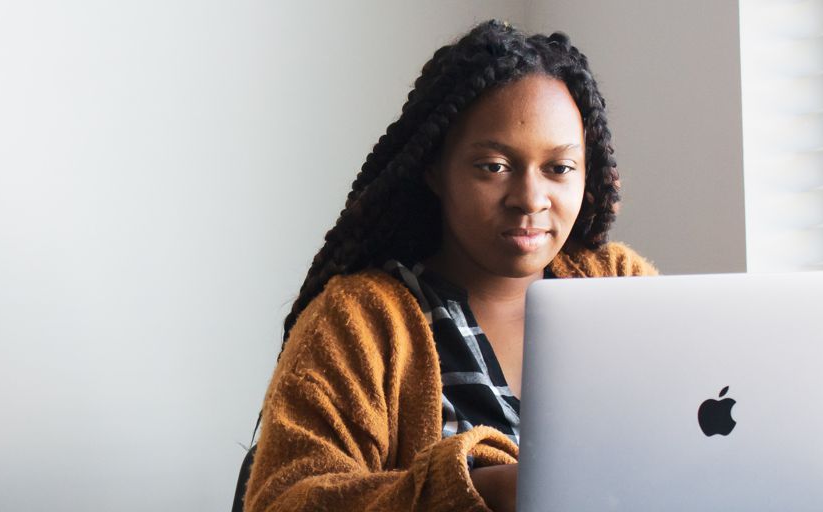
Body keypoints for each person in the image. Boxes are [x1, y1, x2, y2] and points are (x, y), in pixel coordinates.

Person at [240, 20, 658, 512]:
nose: (530, 198)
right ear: (435, 170)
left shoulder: (618, 287)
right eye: (493, 166)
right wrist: (479, 490)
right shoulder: (358, 321)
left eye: (558, 168)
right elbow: (284, 501)